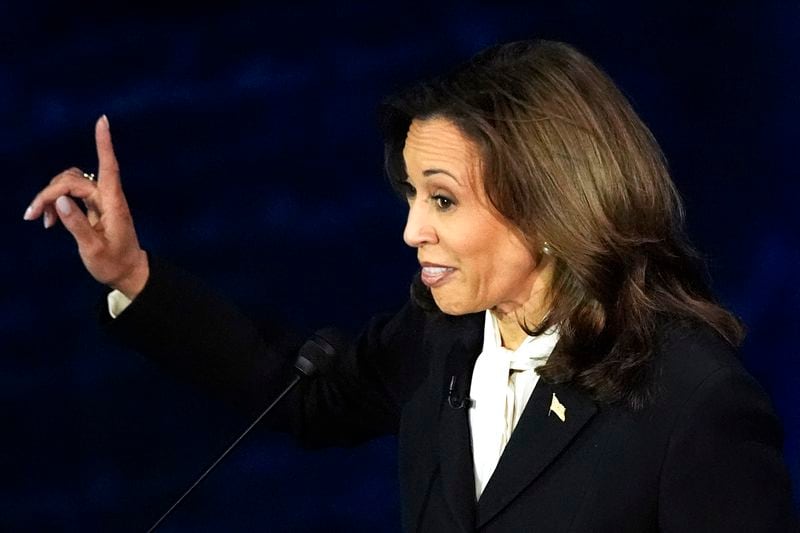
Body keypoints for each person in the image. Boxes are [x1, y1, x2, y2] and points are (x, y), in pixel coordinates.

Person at [24, 40, 796, 531]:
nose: (410, 230)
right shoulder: (441, 335)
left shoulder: (693, 399)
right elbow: (299, 394)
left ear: (550, 203)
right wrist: (132, 276)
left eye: (443, 199)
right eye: (412, 198)